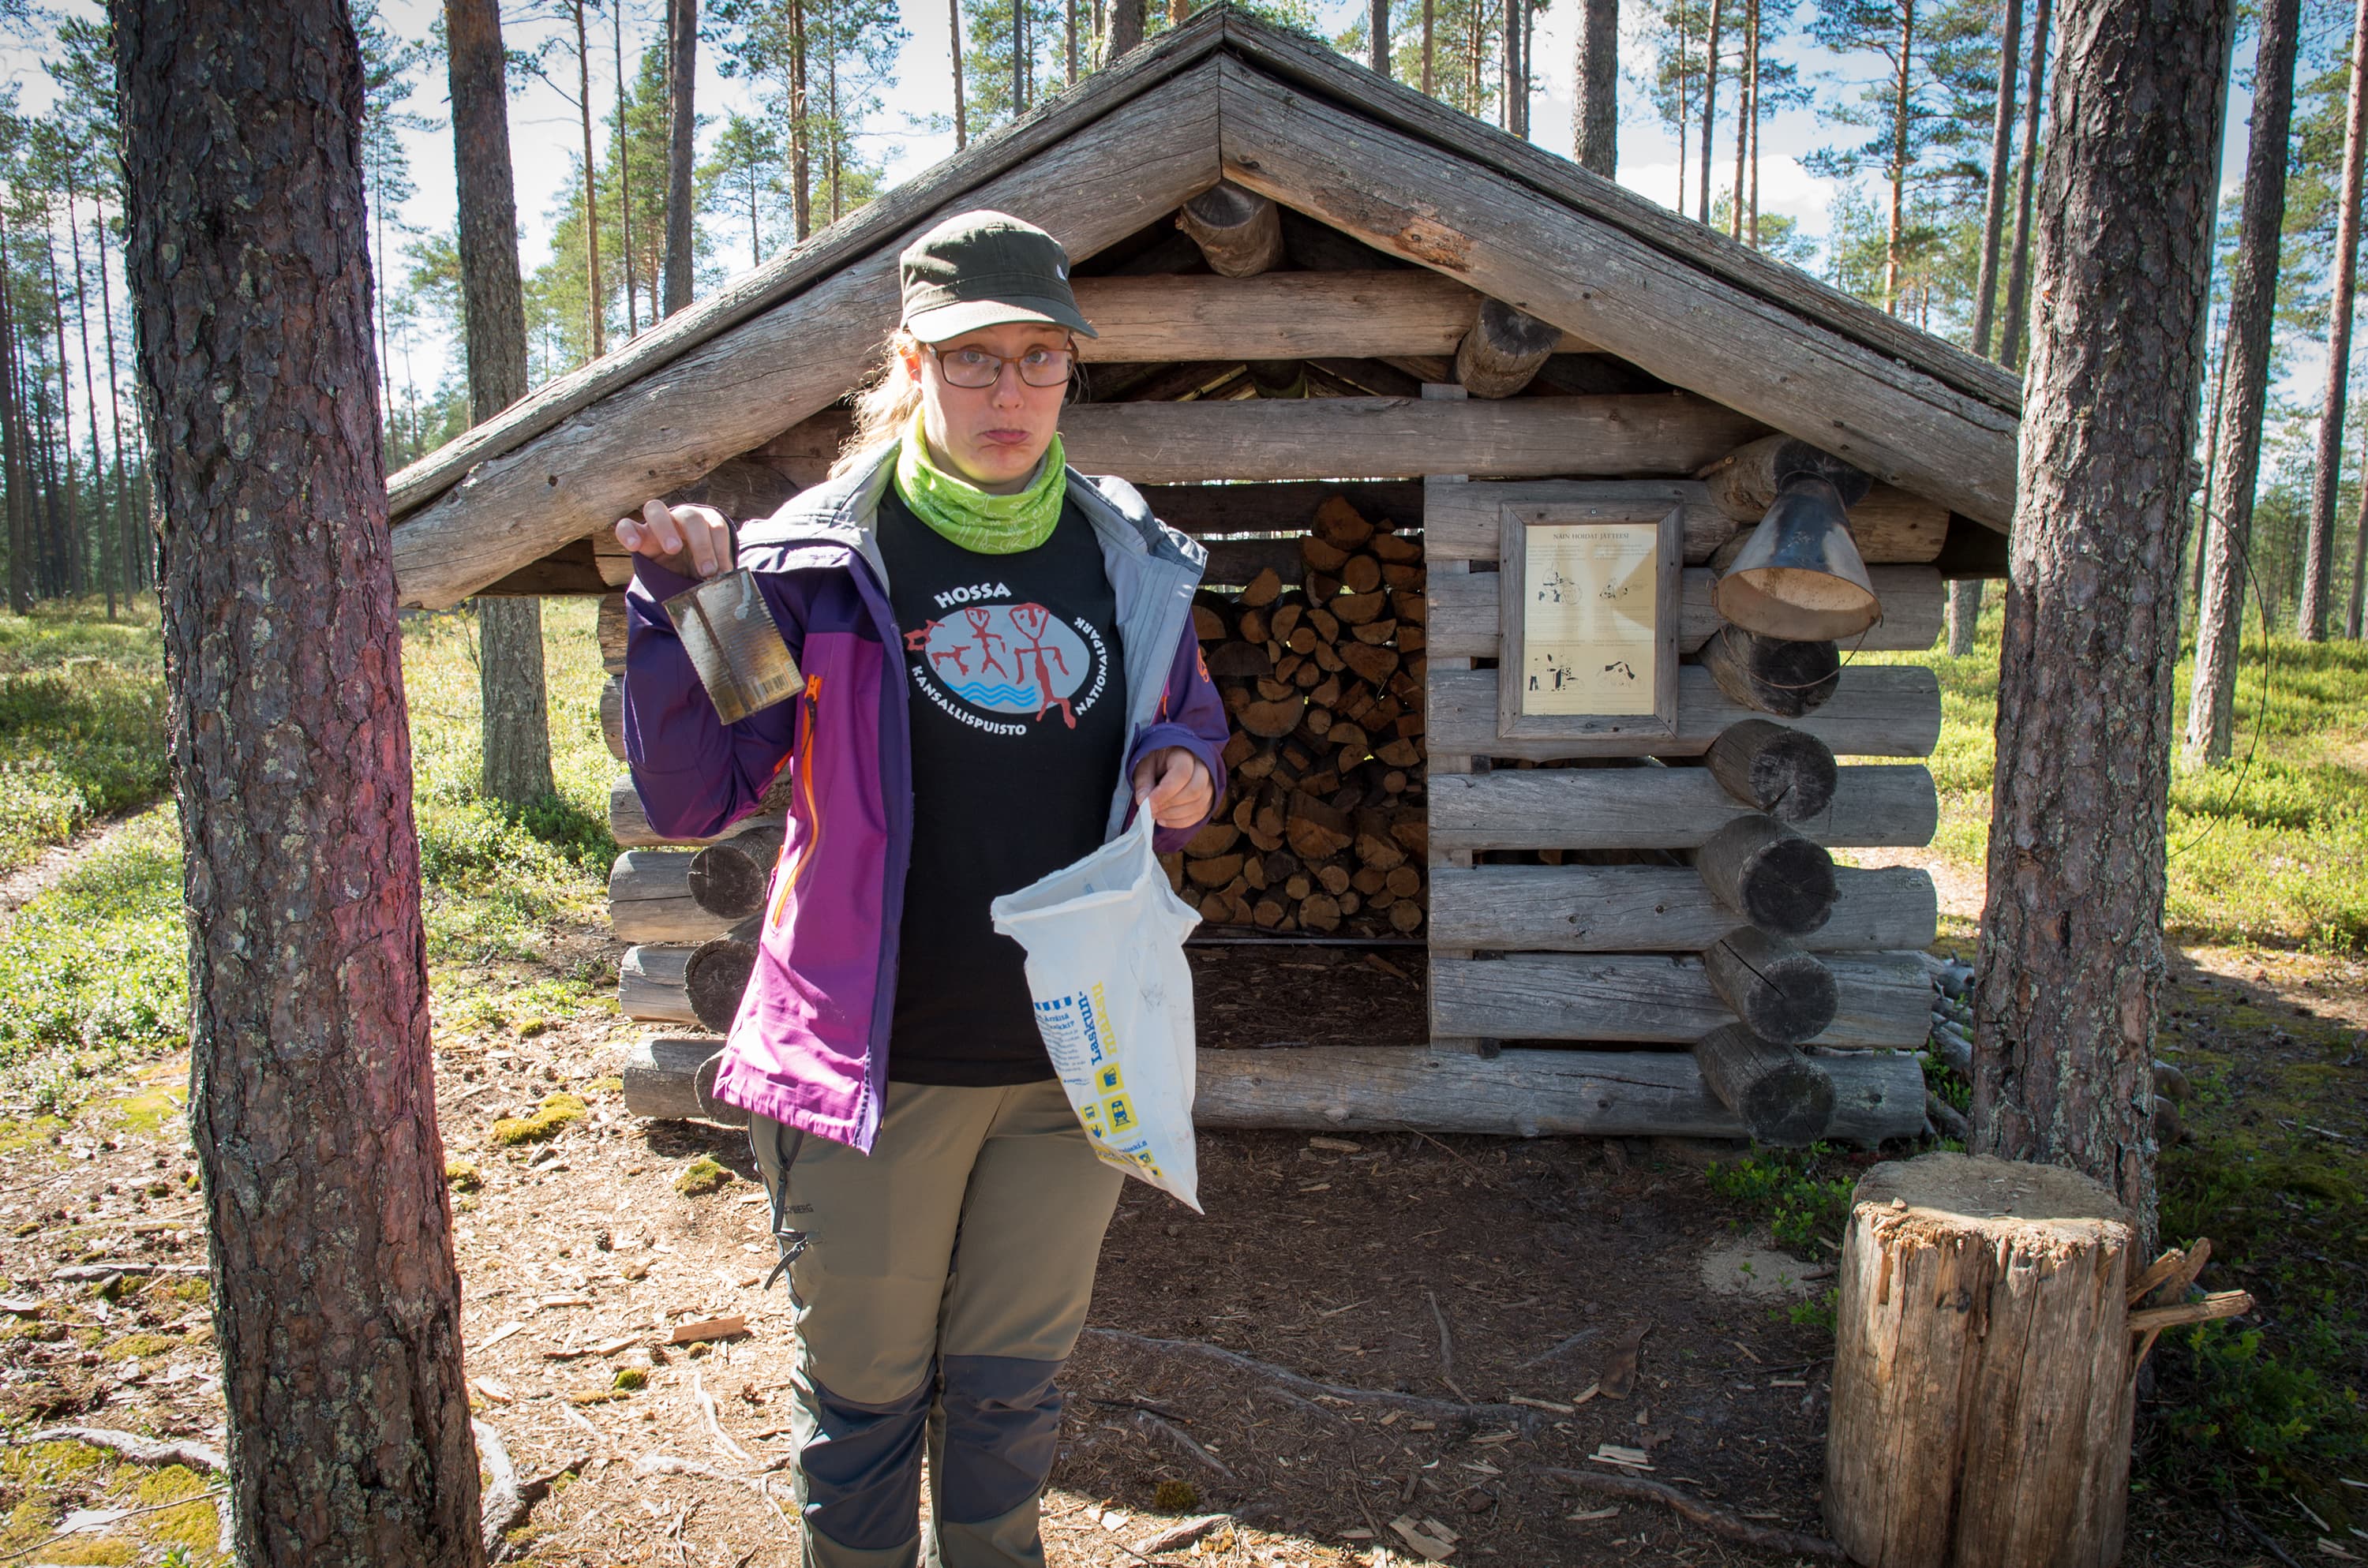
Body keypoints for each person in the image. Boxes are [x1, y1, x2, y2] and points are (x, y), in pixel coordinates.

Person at [614, 210, 1231, 1568]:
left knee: (1013, 1395)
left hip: (1076, 1060)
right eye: (971, 362)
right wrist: (682, 609)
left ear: (1070, 370)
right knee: (867, 1401)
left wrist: (1183, 764)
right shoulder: (825, 563)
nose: (1008, 393)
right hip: (877, 1060)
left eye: (1037, 360)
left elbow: (1183, 719)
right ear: (910, 365)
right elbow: (701, 790)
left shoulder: (1124, 556)